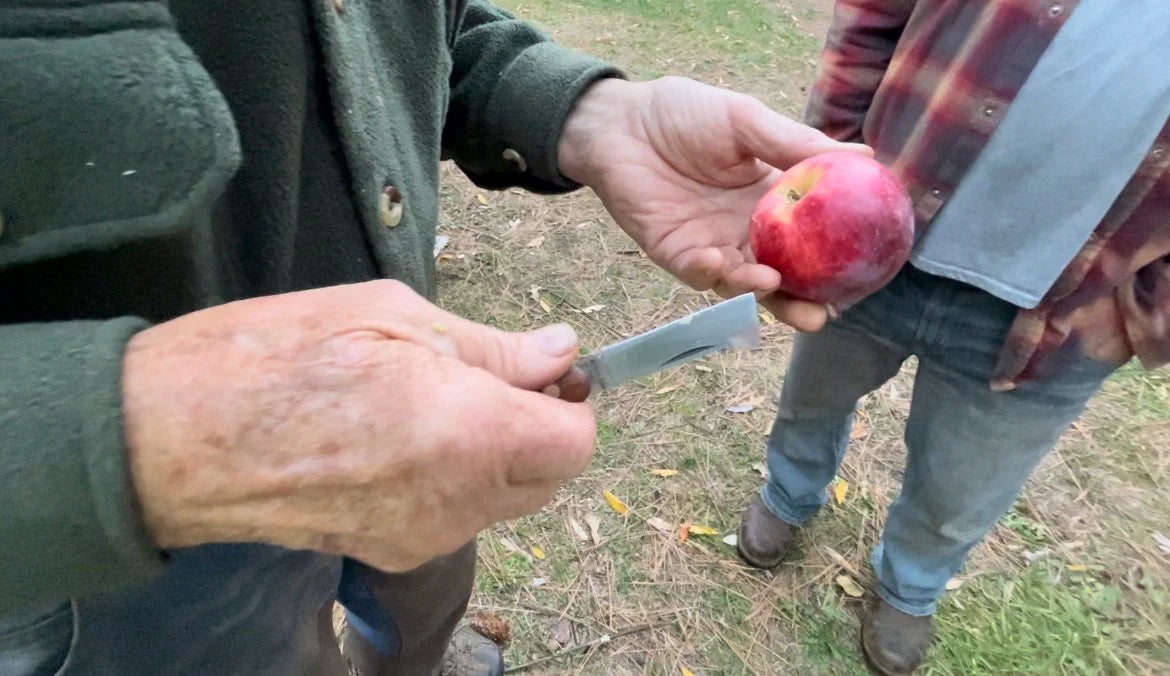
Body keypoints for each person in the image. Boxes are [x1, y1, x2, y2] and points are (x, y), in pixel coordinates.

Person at [0, 1, 865, 674]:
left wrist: (583, 111)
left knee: (423, 604)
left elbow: (403, 32)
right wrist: (162, 440)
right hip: (110, 558)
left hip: (421, 387)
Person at [735, 1, 1170, 674]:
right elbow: (872, 15)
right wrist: (828, 171)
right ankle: (787, 497)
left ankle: (910, 586)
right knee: (812, 397)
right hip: (869, 249)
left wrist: (1145, 314)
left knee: (963, 486)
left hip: (1059, 319)